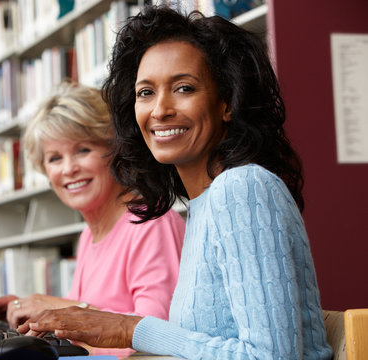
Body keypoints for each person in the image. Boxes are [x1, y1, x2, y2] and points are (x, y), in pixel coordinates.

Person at [17, 6, 333, 359]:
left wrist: (129, 328)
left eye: (183, 88)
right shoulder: (204, 205)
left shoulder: (243, 188)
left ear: (226, 102)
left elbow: (272, 356)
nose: (160, 110)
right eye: (145, 93)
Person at [0, 81, 185, 331]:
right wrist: (30, 313)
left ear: (115, 151)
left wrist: (60, 309)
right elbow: (82, 329)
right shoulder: (89, 235)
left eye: (83, 150)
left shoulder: (151, 223)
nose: (68, 169)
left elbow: (157, 339)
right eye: (54, 158)